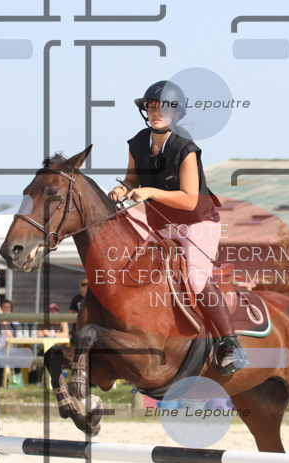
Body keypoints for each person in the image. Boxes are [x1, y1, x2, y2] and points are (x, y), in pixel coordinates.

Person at [107, 80, 249, 375]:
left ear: (177, 113)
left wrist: (150, 192)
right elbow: (132, 178)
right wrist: (122, 189)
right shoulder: (138, 143)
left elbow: (189, 199)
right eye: (152, 106)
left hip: (197, 223)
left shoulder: (185, 147)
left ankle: (231, 344)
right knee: (136, 270)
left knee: (196, 278)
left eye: (164, 108)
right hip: (161, 224)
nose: (156, 112)